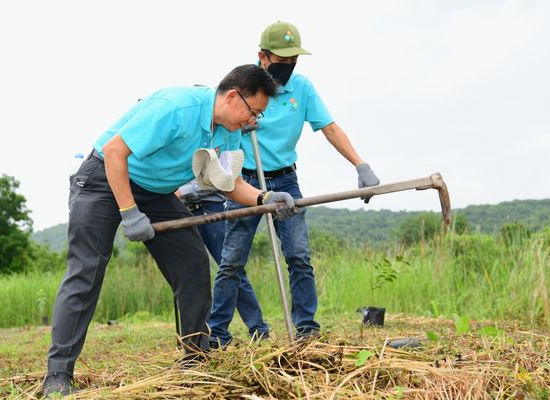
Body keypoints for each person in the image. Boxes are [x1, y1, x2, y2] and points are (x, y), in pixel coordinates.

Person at [42, 64, 297, 397]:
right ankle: (58, 374)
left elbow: (225, 182)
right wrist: (129, 212)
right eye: (254, 113)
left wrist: (265, 197)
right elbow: (116, 151)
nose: (253, 122)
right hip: (103, 178)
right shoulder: (178, 107)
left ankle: (195, 357)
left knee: (192, 262)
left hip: (155, 191)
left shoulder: (227, 130)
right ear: (234, 96)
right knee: (86, 271)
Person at [207, 21, 380, 347]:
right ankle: (217, 334)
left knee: (299, 256)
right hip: (248, 182)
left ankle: (306, 330)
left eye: (292, 61)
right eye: (280, 60)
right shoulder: (242, 88)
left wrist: (361, 164)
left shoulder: (301, 88)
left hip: (286, 179)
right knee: (231, 261)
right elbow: (219, 139)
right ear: (262, 56)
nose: (287, 67)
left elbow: (329, 127)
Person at [176, 181, 270, 340]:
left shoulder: (213, 154)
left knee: (230, 268)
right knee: (190, 273)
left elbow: (216, 179)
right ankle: (199, 334)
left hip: (211, 209)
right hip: (183, 211)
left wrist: (181, 191)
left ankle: (258, 328)